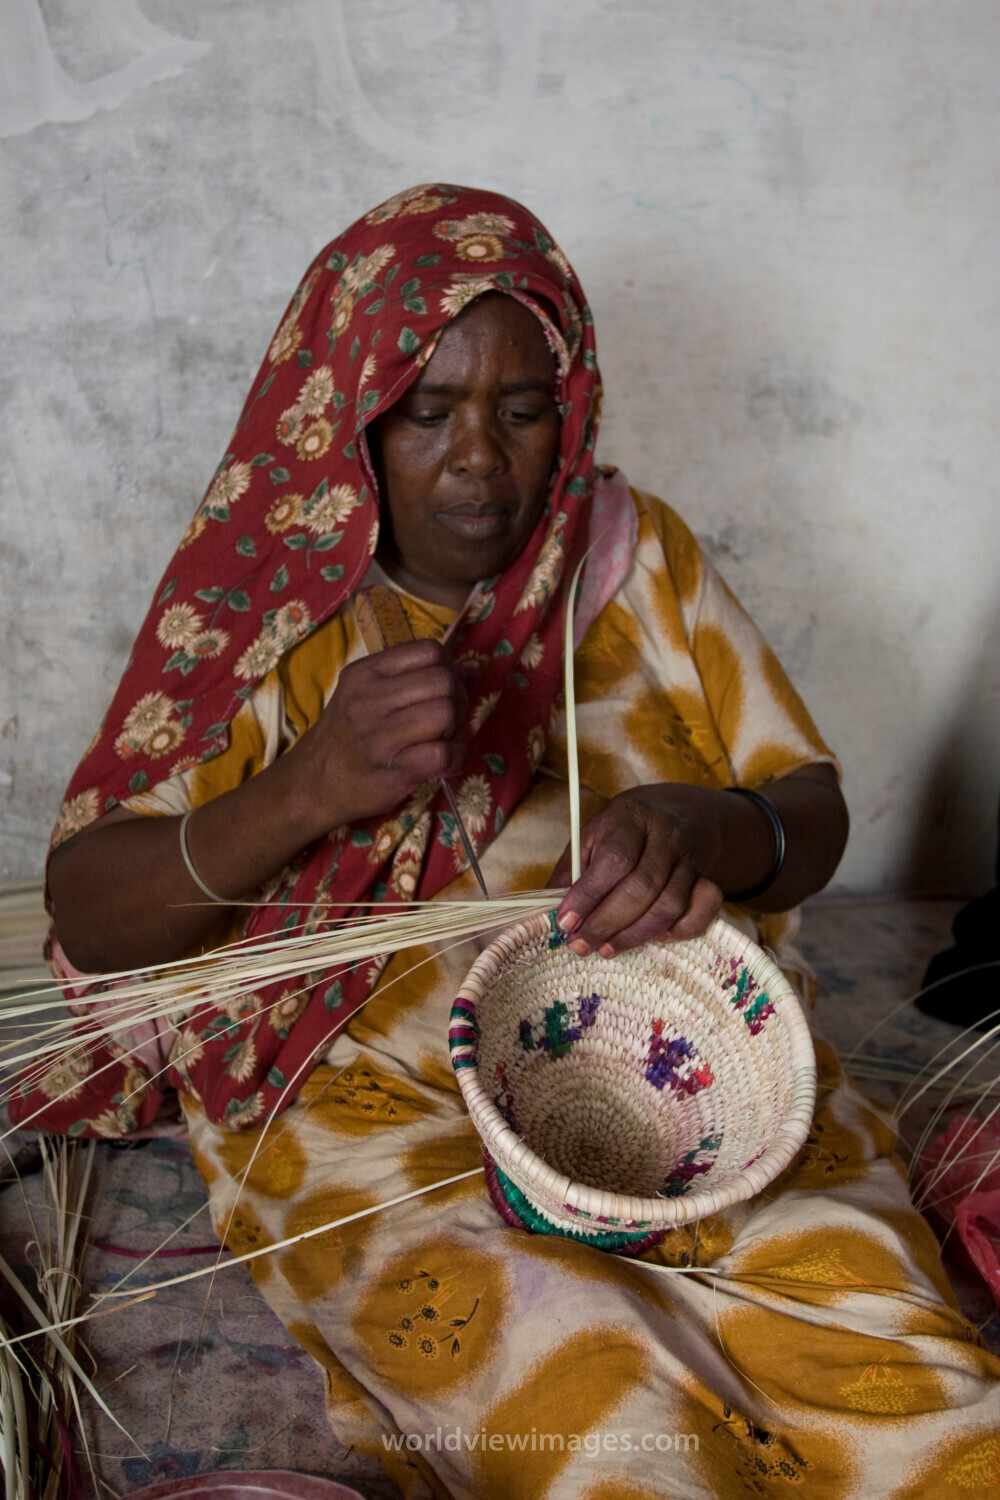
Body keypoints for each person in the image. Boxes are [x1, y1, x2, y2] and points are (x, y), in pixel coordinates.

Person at [14, 185, 998, 1497]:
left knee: (910, 1382)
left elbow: (803, 813)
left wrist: (714, 826)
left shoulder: (629, 558)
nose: (479, 458)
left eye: (523, 409)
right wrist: (303, 791)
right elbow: (90, 909)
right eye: (428, 410)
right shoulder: (269, 602)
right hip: (369, 1095)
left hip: (670, 1054)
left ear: (571, 403)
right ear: (352, 410)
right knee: (586, 1410)